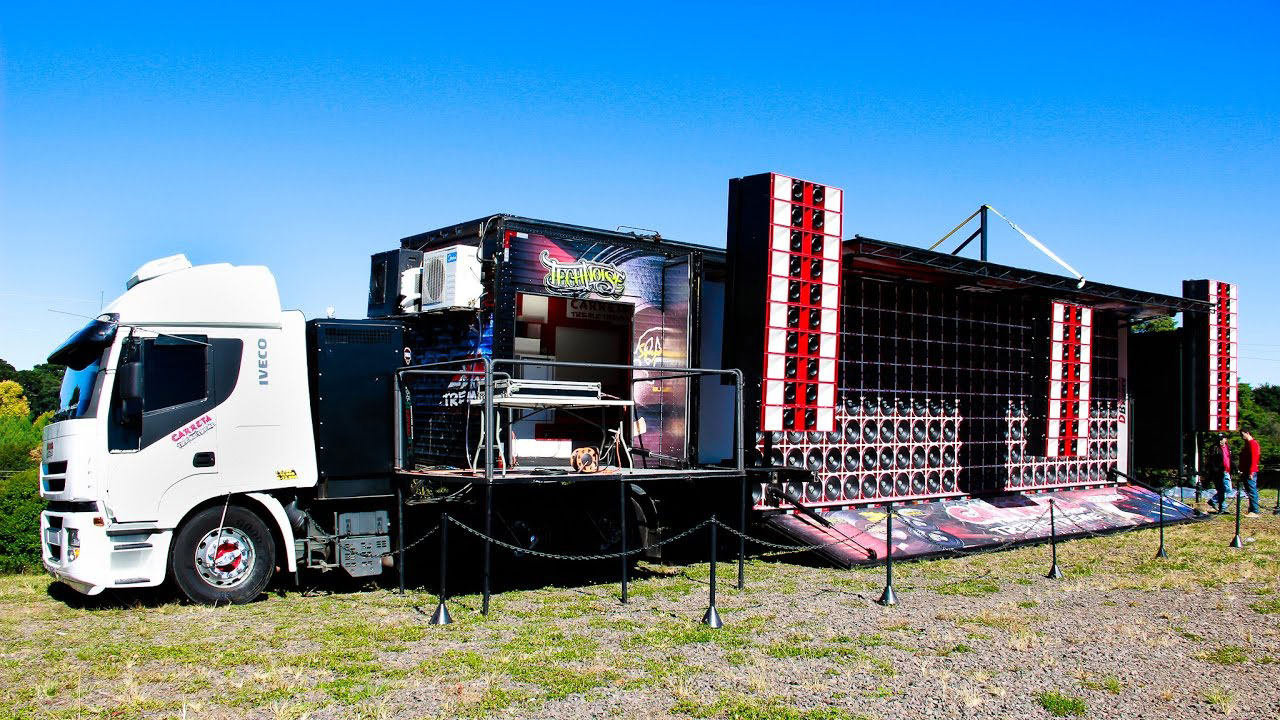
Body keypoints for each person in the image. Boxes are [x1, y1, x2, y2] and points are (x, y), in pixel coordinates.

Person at [1240, 429, 1262, 517]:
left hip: (1251, 471)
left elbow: (1254, 458)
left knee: (1252, 490)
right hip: (1246, 470)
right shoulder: (1247, 444)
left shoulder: (1253, 444)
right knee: (1249, 490)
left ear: (1247, 433)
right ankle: (1251, 509)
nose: (1242, 437)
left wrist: (1251, 471)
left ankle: (1255, 510)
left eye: (1243, 434)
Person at [1209, 434, 1233, 514]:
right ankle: (1222, 508)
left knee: (1228, 489)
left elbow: (1230, 459)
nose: (1220, 441)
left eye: (1222, 439)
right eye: (1219, 439)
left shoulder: (1228, 448)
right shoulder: (1214, 448)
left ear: (1225, 439)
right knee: (1222, 489)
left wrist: (1234, 468)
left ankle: (1214, 500)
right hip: (1219, 472)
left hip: (1227, 470)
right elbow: (1211, 460)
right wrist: (1215, 470)